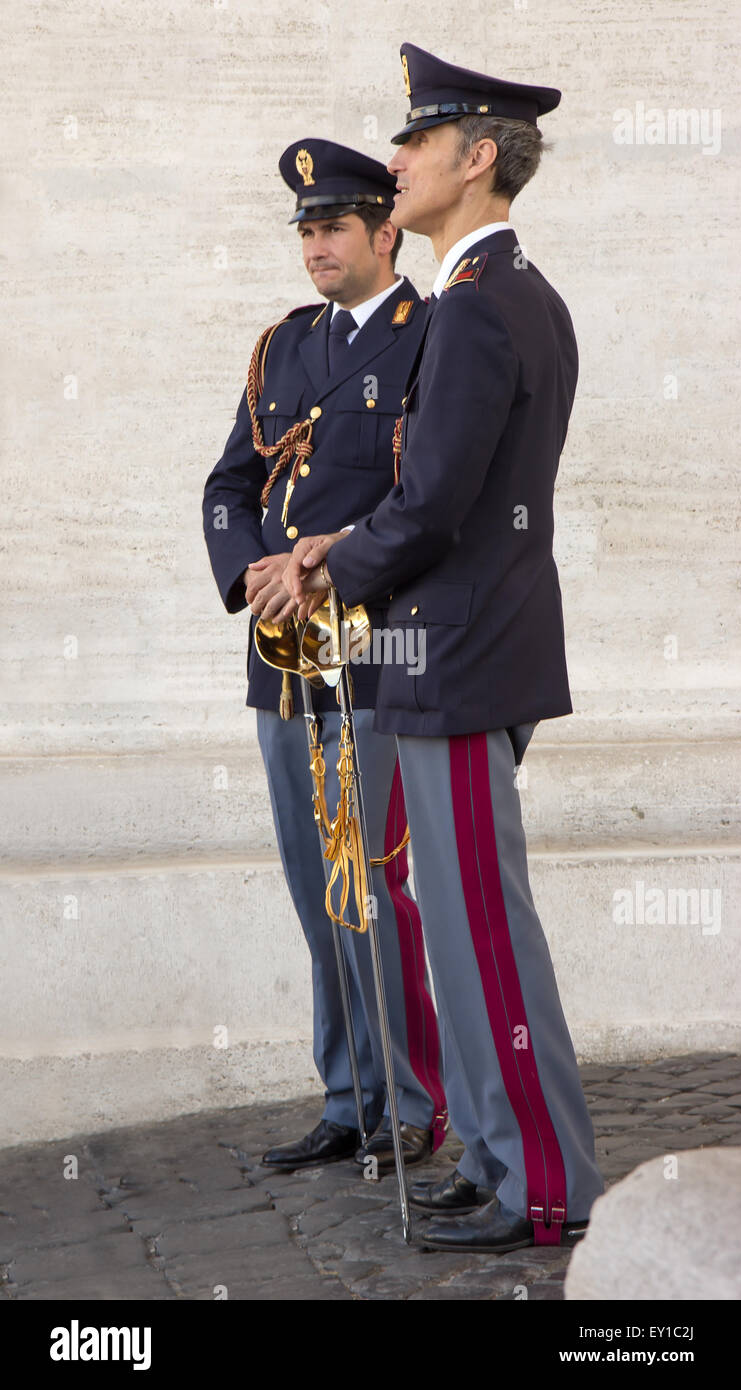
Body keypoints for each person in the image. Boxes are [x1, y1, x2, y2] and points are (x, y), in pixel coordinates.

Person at [284, 46, 606, 1252]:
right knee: (457, 926)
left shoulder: (480, 304)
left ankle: (542, 1183)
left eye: (419, 141)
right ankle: (488, 1149)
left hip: (462, 655)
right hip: (449, 652)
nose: (399, 156)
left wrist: (324, 559)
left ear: (479, 159)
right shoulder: (502, 293)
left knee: (482, 928)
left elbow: (436, 506)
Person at [202, 138, 446, 1177]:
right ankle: (348, 1094)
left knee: (370, 881)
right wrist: (253, 567)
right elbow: (228, 485)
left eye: (333, 227)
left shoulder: (432, 337)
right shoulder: (283, 351)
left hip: (378, 647)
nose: (315, 246)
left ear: (385, 232)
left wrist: (329, 564)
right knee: (314, 882)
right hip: (283, 655)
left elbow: (427, 501)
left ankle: (411, 1097)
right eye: (304, 230)